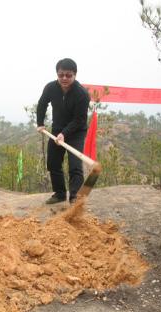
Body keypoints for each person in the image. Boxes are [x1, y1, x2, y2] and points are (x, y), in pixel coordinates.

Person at [36, 58, 90, 204]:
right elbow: (42, 104)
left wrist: (64, 134)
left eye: (68, 75)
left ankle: (75, 198)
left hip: (76, 132)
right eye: (61, 75)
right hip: (57, 129)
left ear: (75, 75)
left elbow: (79, 120)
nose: (64, 78)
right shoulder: (50, 88)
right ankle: (60, 194)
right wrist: (40, 123)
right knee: (53, 162)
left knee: (74, 166)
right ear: (57, 74)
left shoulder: (82, 94)